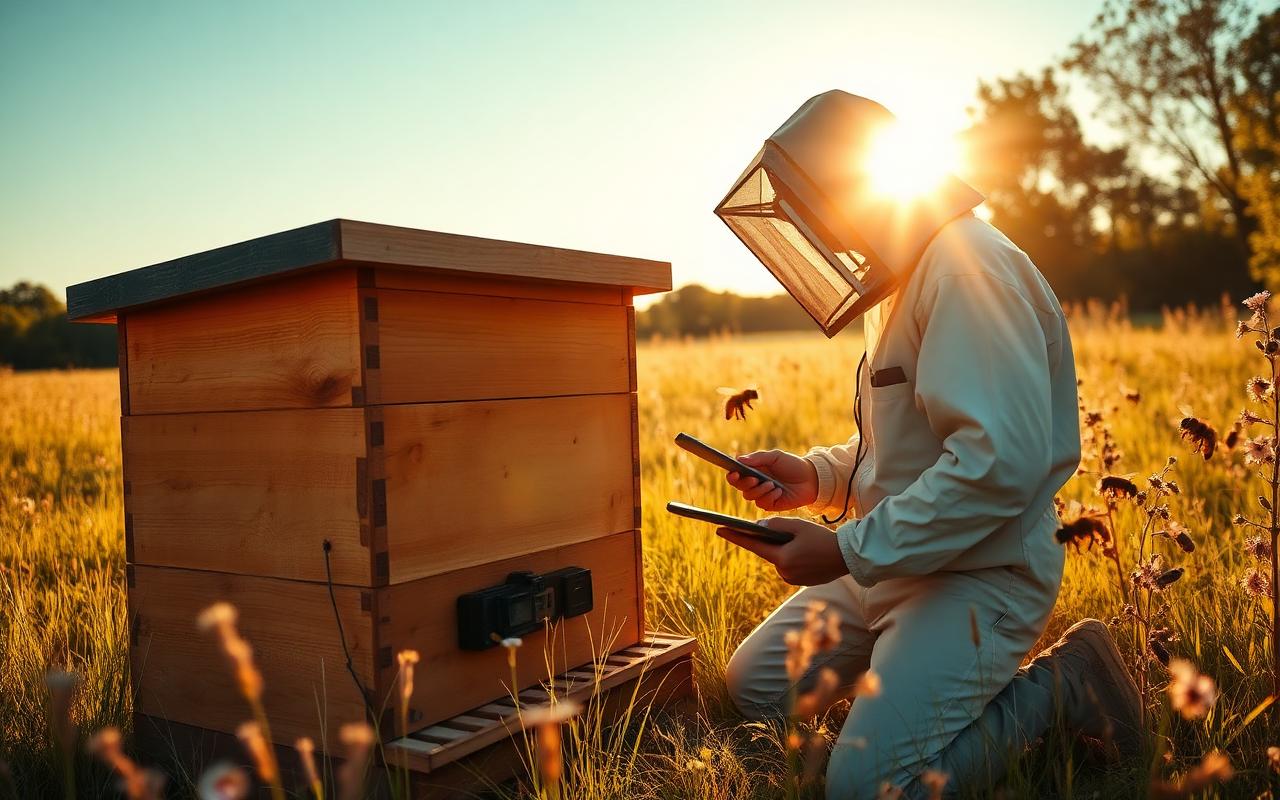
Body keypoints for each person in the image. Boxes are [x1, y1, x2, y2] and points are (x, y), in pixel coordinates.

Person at [713, 91, 1141, 799]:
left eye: (812, 207)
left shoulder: (965, 270)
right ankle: (905, 720)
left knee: (863, 791)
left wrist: (845, 549)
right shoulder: (898, 274)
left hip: (979, 573)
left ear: (850, 187)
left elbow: (996, 467)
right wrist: (811, 476)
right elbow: (902, 447)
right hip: (893, 561)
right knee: (754, 686)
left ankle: (1066, 684)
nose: (815, 230)